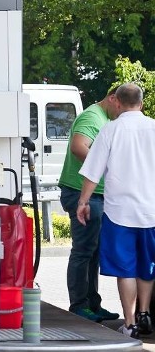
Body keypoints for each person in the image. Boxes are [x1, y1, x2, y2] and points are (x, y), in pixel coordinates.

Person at [76, 83, 155, 339]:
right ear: (141, 104)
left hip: (119, 212)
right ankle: (145, 313)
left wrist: (83, 202)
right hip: (151, 210)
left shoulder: (110, 130)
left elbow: (92, 169)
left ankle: (130, 322)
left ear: (118, 103)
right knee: (147, 264)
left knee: (126, 268)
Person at [58, 86, 121, 322]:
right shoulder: (92, 116)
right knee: (84, 251)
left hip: (95, 194)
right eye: (121, 106)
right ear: (113, 98)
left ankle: (92, 304)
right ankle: (79, 305)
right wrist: (105, 164)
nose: (122, 112)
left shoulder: (104, 117)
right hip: (81, 193)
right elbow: (78, 146)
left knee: (93, 251)